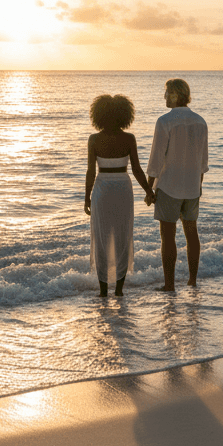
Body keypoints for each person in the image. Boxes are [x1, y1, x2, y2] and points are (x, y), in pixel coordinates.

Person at [84, 94, 154, 297]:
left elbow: (90, 172)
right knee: (123, 236)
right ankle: (120, 291)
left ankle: (103, 291)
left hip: (102, 188)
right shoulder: (128, 138)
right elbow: (137, 170)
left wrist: (86, 198)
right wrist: (149, 191)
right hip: (123, 187)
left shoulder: (94, 139)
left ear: (99, 115)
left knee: (102, 238)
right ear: (125, 115)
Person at [147, 78, 208, 292]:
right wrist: (198, 187)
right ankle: (192, 280)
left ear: (174, 95)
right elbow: (203, 162)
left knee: (168, 236)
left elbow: (156, 160)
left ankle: (170, 284)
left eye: (166, 93)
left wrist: (149, 189)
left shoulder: (165, 121)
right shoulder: (200, 122)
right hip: (192, 187)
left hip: (169, 186)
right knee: (192, 233)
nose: (164, 97)